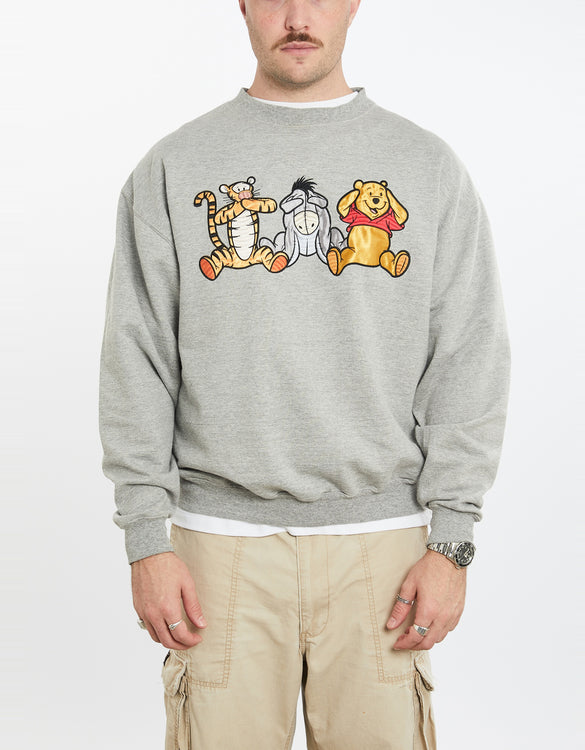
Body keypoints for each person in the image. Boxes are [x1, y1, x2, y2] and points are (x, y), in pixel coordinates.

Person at [99, 1, 511, 747]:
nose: (296, 16)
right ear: (243, 5)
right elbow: (137, 358)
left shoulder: (426, 167)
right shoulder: (173, 167)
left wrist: (453, 541)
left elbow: (468, 356)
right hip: (216, 549)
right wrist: (146, 539)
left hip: (382, 552)